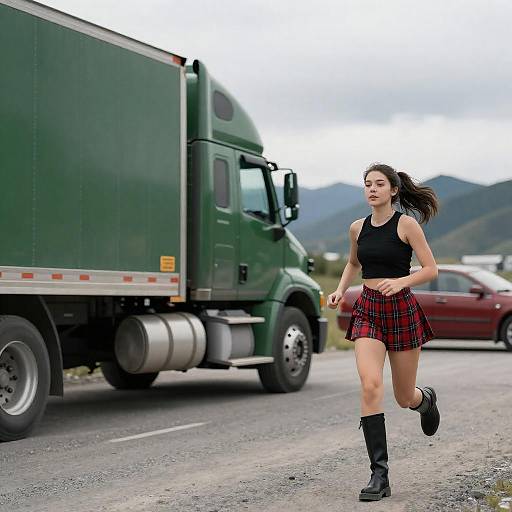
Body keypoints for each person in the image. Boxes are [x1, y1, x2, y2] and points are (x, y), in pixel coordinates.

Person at [327, 163, 440, 502]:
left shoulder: (406, 224)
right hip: (368, 311)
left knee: (403, 397)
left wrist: (403, 280)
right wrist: (339, 289)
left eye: (379, 184)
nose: (372, 189)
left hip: (401, 310)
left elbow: (431, 269)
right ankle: (380, 475)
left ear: (393, 190)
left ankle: (425, 401)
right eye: (367, 184)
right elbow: (353, 263)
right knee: (370, 384)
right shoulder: (357, 228)